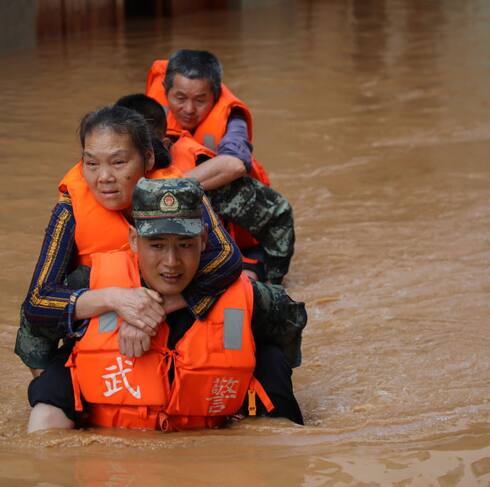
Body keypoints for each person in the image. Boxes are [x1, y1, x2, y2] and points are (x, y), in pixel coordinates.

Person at [27, 178, 307, 432]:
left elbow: (290, 322)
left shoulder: (245, 296)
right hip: (120, 448)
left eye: (185, 245)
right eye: (157, 245)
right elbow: (34, 322)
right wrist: (53, 377)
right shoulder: (92, 282)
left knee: (271, 362)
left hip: (208, 436)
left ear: (204, 240)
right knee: (50, 401)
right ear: (134, 241)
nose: (171, 262)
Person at [14, 105, 243, 376]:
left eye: (118, 162)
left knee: (246, 290)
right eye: (92, 163)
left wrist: (153, 307)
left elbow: (227, 257)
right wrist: (116, 299)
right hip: (106, 307)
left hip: (174, 298)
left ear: (147, 160)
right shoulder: (70, 209)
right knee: (34, 317)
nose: (104, 178)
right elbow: (38, 299)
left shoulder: (176, 192)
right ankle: (49, 389)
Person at [145, 50, 295, 282]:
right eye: (180, 98)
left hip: (232, 218)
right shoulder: (148, 109)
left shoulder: (232, 117)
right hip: (185, 210)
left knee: (249, 278)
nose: (189, 109)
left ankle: (266, 277)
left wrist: (167, 191)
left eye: (200, 100)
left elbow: (235, 164)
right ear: (166, 92)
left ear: (215, 95)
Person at [116, 93, 293, 283]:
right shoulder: (98, 184)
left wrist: (273, 280)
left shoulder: (202, 176)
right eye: (118, 158)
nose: (109, 173)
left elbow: (278, 213)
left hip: (206, 273)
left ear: (160, 148)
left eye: (139, 152)